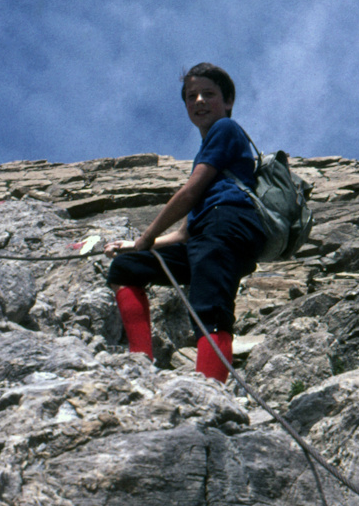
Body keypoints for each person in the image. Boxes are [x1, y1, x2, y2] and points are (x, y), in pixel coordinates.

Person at [104, 63, 266, 383]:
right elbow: (186, 232)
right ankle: (141, 363)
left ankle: (211, 397)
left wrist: (147, 236)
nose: (200, 101)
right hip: (209, 232)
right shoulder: (208, 147)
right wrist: (134, 246)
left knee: (210, 309)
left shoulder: (225, 130)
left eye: (209, 94)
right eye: (192, 96)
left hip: (227, 227)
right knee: (126, 268)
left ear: (228, 101)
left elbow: (190, 193)